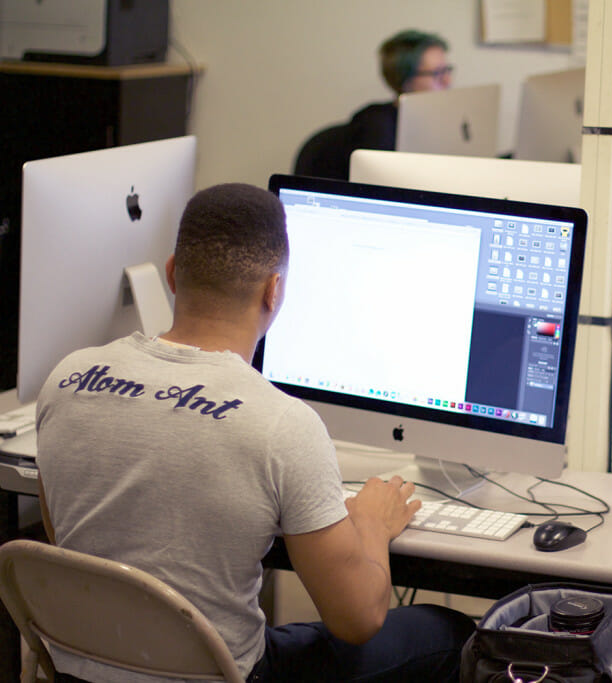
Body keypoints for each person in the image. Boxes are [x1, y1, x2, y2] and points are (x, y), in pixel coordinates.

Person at [34, 183, 475, 682]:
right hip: (222, 674)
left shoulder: (66, 379)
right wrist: (371, 526)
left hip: (80, 670)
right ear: (274, 290)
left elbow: (65, 535)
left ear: (173, 274)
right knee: (446, 633)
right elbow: (358, 620)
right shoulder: (282, 424)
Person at [295, 30, 452, 180]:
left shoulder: (436, 126)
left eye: (448, 71)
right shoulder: (377, 126)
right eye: (437, 74)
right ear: (404, 77)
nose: (447, 81)